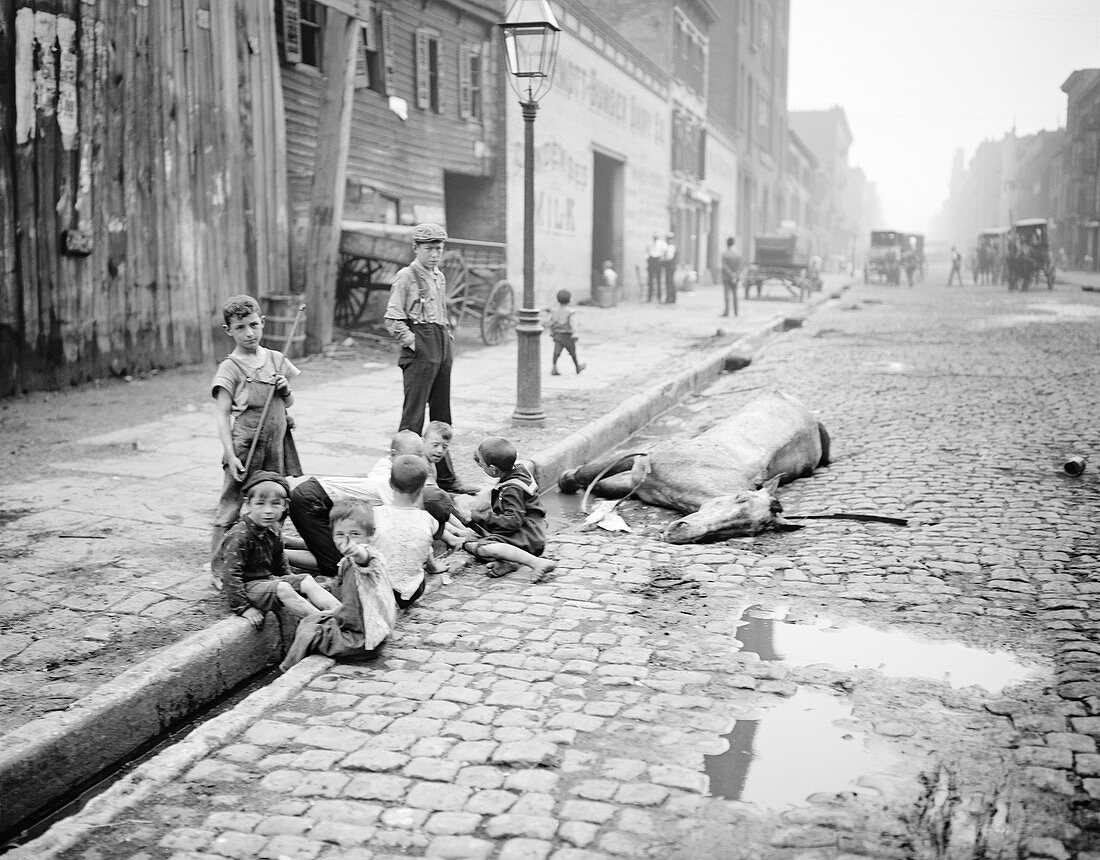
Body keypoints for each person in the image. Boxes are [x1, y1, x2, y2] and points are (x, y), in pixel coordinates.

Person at [286, 431, 456, 576]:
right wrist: (434, 561)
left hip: (321, 499)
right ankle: (280, 553)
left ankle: (289, 542)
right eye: (411, 456)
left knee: (341, 546)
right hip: (311, 500)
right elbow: (413, 521)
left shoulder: (399, 476)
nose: (417, 461)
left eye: (419, 456)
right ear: (394, 455)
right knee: (337, 564)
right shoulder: (391, 483)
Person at [384, 222, 474, 495]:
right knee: (413, 419)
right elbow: (392, 318)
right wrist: (414, 343)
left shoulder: (439, 276)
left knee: (441, 417)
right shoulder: (406, 276)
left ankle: (446, 478)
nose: (435, 254)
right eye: (429, 248)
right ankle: (403, 480)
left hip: (441, 345)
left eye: (439, 248)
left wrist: (446, 341)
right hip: (421, 349)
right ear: (416, 248)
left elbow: (441, 312)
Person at [210, 295, 302, 558]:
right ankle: (219, 566)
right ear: (229, 330)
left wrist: (285, 389)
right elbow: (222, 415)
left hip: (275, 447)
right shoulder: (230, 368)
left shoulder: (276, 358)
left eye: (253, 325)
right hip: (244, 447)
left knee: (275, 501)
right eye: (240, 328)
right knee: (231, 504)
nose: (249, 333)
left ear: (262, 322)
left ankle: (269, 559)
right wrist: (230, 454)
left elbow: (289, 402)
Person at [278, 499, 398, 672]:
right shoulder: (346, 562)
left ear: (370, 535)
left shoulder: (370, 559)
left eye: (355, 534)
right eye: (340, 534)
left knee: (310, 630)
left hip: (363, 642)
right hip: (363, 632)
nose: (346, 541)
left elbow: (365, 559)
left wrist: (356, 551)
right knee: (313, 619)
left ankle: (288, 669)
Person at [213, 471, 341, 630]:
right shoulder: (240, 535)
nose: (268, 510)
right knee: (283, 588)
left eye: (275, 504)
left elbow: (281, 566)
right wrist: (243, 608)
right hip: (247, 588)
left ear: (285, 505)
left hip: (266, 582)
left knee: (305, 580)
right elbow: (231, 575)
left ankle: (341, 614)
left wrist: (296, 584)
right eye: (260, 503)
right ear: (248, 504)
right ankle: (325, 625)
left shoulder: (273, 529)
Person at [461, 436, 557, 581]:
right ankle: (511, 563)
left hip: (528, 537)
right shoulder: (518, 470)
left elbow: (512, 521)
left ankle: (537, 563)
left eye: (481, 463)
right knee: (472, 538)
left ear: (493, 469)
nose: (479, 464)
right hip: (533, 530)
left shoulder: (511, 489)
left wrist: (479, 517)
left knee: (481, 547)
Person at [373, 454, 444, 608]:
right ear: (421, 489)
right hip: (414, 591)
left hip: (382, 591)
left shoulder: (375, 515)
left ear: (390, 484)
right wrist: (433, 567)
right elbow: (428, 549)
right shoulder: (428, 519)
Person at [548, 289, 585, 376]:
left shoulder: (554, 311)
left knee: (556, 352)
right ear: (569, 300)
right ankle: (577, 367)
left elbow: (552, 322)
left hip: (557, 335)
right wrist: (575, 332)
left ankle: (554, 367)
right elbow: (573, 323)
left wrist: (552, 331)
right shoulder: (570, 312)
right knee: (573, 353)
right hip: (567, 335)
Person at [720, 237, 742, 317]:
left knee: (727, 295)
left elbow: (724, 266)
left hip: (726, 277)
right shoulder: (738, 254)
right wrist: (735, 274)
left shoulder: (725, 254)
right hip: (735, 278)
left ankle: (727, 311)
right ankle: (736, 312)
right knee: (735, 295)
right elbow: (740, 266)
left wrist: (730, 274)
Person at [645, 232, 667, 302]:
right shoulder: (649, 243)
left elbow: (666, 250)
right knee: (650, 279)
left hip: (658, 260)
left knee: (658, 279)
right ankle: (649, 296)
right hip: (651, 260)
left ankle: (659, 297)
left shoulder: (662, 243)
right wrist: (647, 258)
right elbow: (646, 252)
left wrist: (662, 258)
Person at [663, 232, 679, 303]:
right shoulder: (667, 247)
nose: (669, 240)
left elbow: (669, 257)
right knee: (669, 281)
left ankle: (670, 297)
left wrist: (662, 259)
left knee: (669, 282)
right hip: (669, 267)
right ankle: (672, 297)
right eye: (668, 239)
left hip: (670, 267)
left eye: (670, 239)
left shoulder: (672, 247)